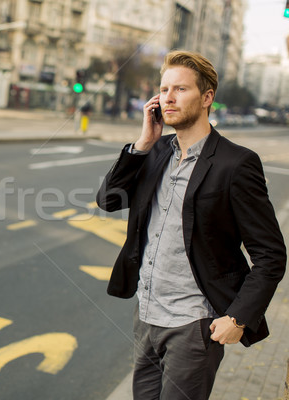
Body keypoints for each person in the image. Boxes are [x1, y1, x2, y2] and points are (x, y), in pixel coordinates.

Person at [97, 50, 286, 399]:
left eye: (181, 89)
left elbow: (271, 254)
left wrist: (238, 318)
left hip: (194, 324)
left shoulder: (236, 163)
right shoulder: (155, 151)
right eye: (164, 89)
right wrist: (143, 142)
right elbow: (108, 199)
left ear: (207, 97)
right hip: (147, 315)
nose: (168, 97)